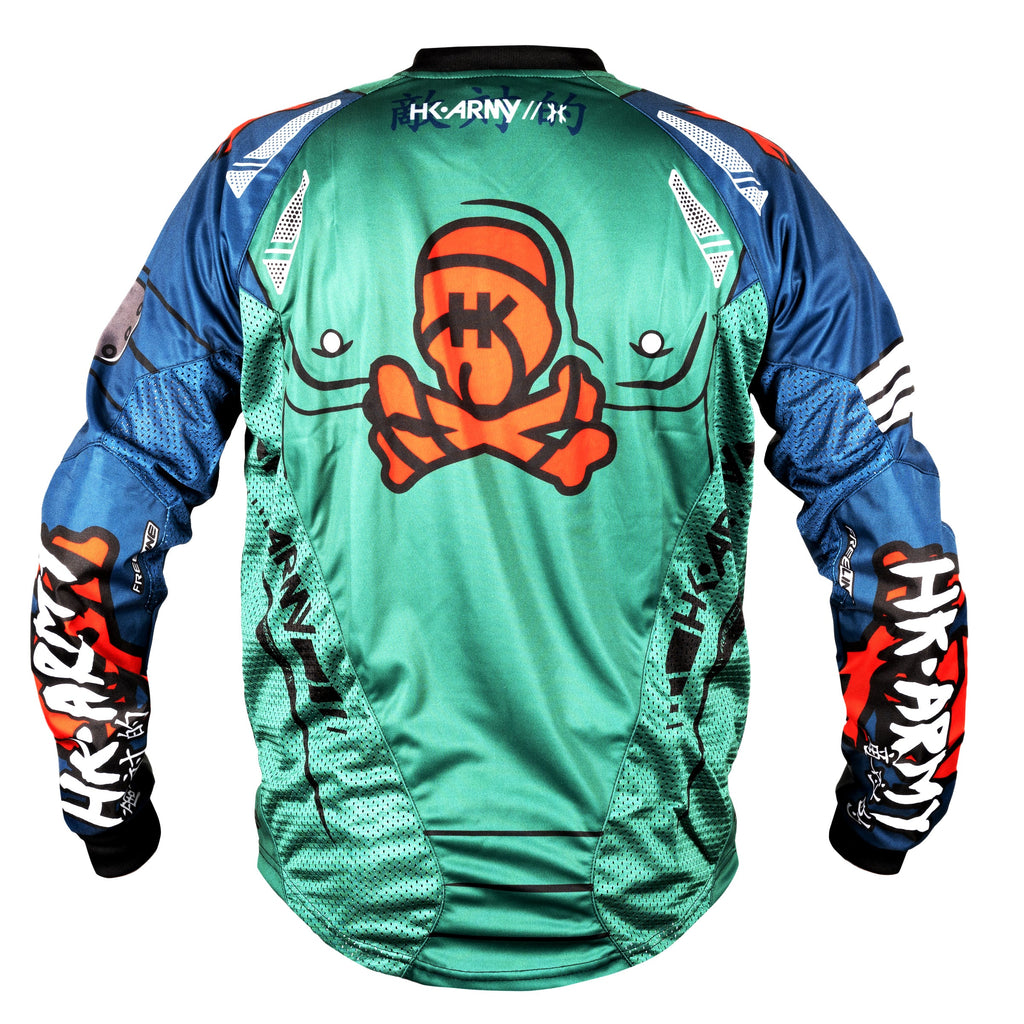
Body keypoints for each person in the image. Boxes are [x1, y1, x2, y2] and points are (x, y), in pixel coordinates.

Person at [31, 45, 967, 990]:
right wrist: (892, 803)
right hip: (647, 885)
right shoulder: (739, 183)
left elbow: (116, 491)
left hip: (348, 883)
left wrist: (105, 796)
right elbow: (886, 511)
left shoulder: (263, 176)